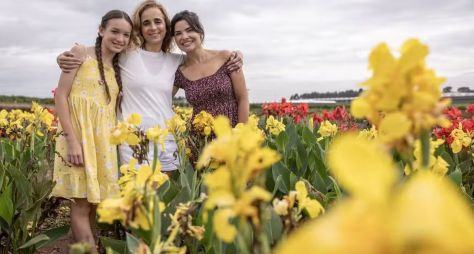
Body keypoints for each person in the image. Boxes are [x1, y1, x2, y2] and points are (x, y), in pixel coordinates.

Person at [57, 0, 243, 171]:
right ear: (140, 28)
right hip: (136, 140)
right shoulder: (125, 54)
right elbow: (99, 52)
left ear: (166, 26)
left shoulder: (177, 61)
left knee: (164, 200)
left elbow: (202, 60)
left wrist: (235, 55)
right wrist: (67, 56)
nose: (153, 27)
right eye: (146, 23)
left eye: (158, 21)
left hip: (168, 140)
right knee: (140, 199)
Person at [52, 10, 133, 246]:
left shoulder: (118, 66)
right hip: (78, 137)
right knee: (81, 203)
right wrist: (72, 141)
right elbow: (61, 96)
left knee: (94, 203)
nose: (120, 38)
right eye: (115, 31)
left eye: (126, 35)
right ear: (101, 30)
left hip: (103, 142)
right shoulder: (80, 53)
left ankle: (82, 246)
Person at [172, 10, 249, 127]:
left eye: (189, 30)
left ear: (200, 33)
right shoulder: (180, 73)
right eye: (178, 33)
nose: (184, 37)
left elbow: (242, 98)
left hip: (231, 135)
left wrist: (241, 135)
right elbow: (161, 98)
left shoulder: (226, 57)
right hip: (200, 141)